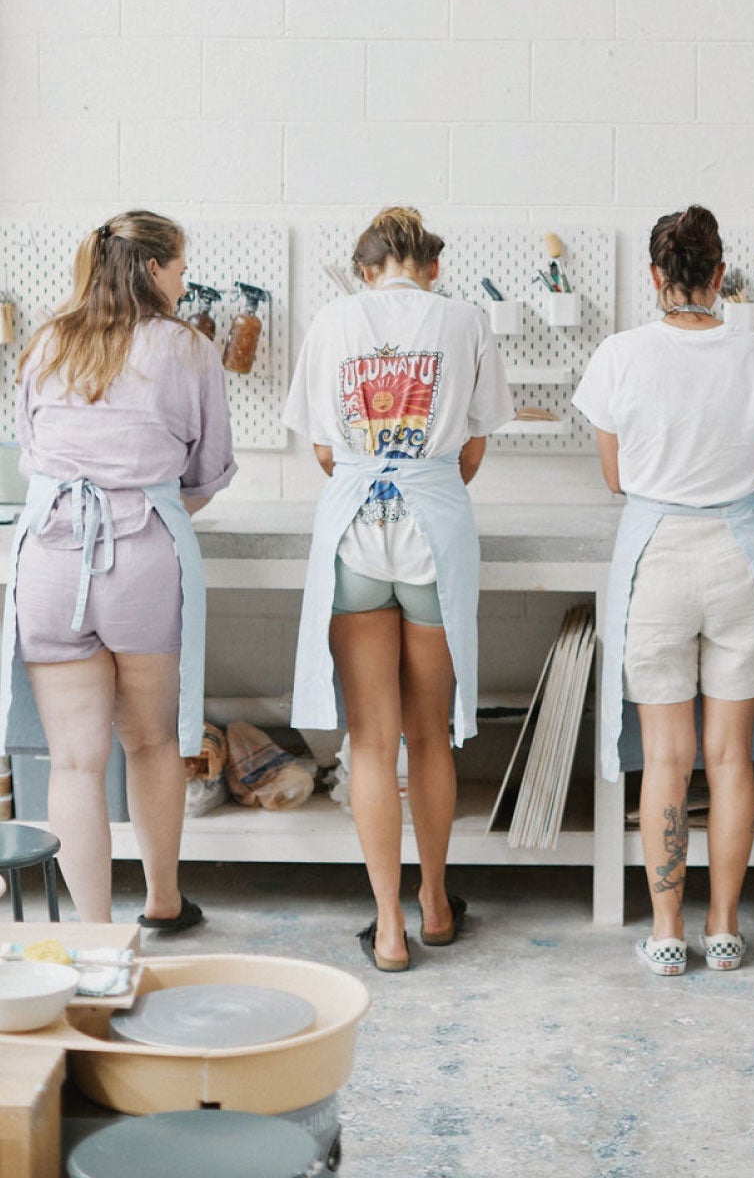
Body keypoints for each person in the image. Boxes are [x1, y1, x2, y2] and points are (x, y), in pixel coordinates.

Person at [573, 205, 754, 977]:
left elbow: (613, 478)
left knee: (668, 759)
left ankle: (668, 931)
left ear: (654, 278)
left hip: (657, 558)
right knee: (731, 758)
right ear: (719, 276)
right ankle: (727, 928)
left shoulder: (619, 355)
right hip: (738, 552)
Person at [286, 207, 513, 972]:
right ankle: (437, 903)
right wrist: (426, 484)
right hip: (434, 533)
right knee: (431, 734)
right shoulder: (465, 319)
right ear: (432, 267)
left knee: (372, 744)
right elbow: (475, 445)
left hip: (356, 531)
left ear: (364, 269)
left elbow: (323, 447)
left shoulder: (332, 321)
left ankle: (387, 928)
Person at [0, 211, 235, 928]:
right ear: (155, 270)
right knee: (152, 740)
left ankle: (96, 937)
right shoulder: (188, 349)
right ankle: (162, 903)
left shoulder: (44, 343)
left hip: (46, 556)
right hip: (138, 558)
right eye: (181, 268)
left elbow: (28, 450)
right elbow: (208, 472)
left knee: (74, 760)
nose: (186, 280)